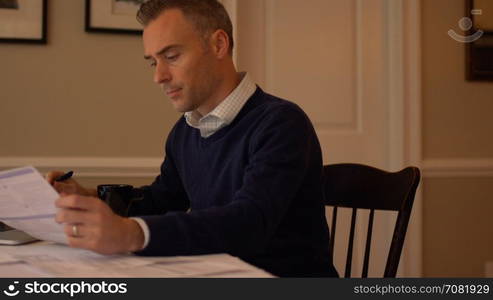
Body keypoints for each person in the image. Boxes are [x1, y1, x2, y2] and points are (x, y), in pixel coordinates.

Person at [46, 0, 338, 277]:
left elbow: (248, 223)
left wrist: (131, 233)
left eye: (171, 57)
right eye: (153, 62)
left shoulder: (281, 123)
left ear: (218, 44)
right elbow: (158, 201)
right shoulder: (185, 131)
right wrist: (87, 197)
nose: (158, 76)